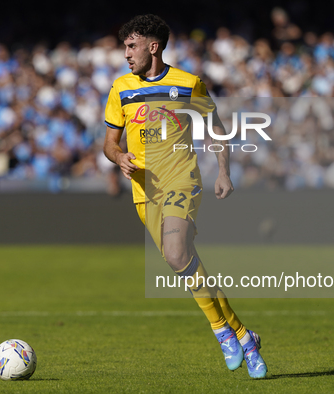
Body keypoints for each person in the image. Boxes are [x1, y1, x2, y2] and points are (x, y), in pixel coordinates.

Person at [103, 14, 267, 378]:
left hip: (181, 180)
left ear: (153, 46)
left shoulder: (188, 84)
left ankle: (222, 331)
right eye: (125, 46)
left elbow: (216, 128)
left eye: (132, 45)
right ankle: (243, 334)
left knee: (178, 254)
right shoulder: (120, 89)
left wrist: (223, 170)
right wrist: (119, 157)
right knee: (184, 265)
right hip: (144, 191)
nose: (126, 53)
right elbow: (109, 143)